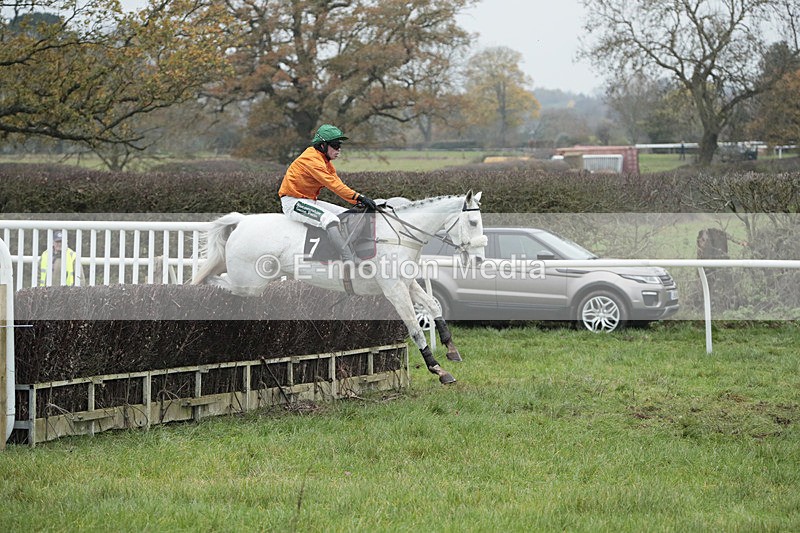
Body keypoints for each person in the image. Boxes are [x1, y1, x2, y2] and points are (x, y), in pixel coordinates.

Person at [278, 124, 378, 263]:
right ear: (323, 145)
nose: (339, 150)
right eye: (336, 145)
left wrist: (359, 201)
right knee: (330, 219)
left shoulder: (325, 161)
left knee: (348, 215)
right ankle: (347, 258)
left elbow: (338, 184)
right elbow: (334, 185)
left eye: (339, 146)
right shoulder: (311, 159)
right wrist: (359, 198)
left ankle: (348, 249)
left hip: (308, 201)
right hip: (293, 203)